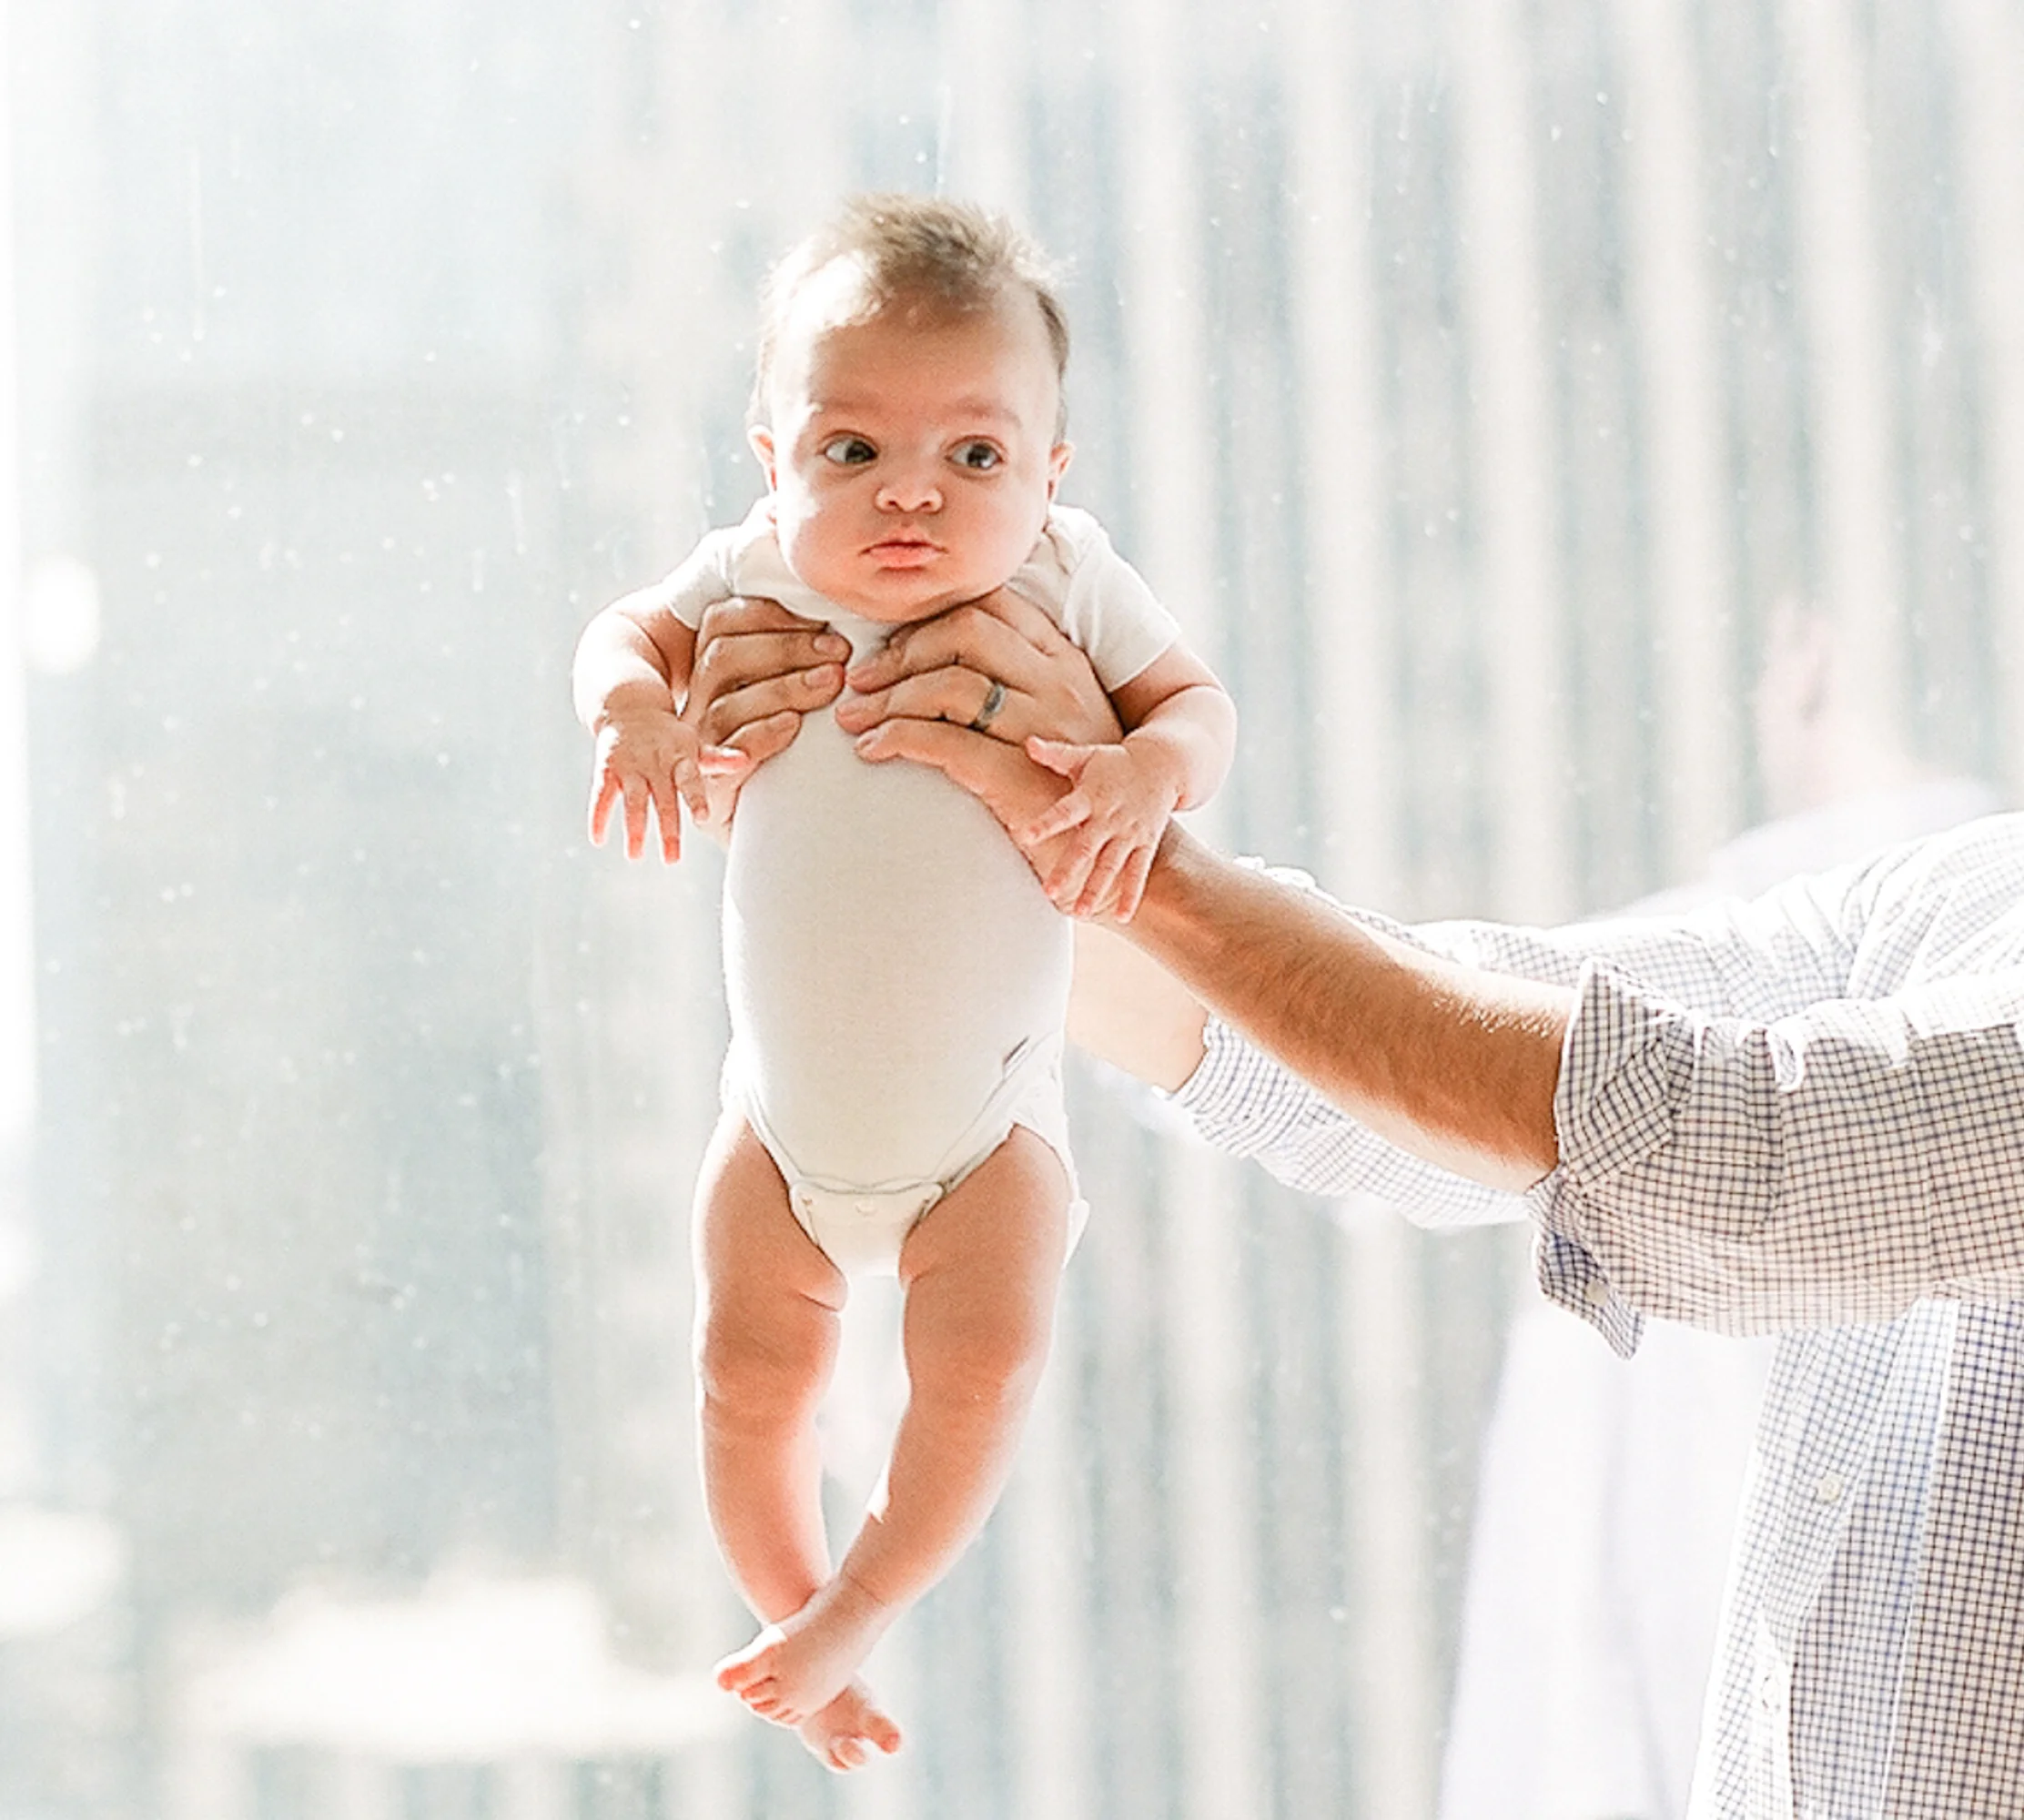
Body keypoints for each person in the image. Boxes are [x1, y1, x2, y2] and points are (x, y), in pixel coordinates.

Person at [684, 593, 2024, 1818]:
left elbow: (1733, 1148)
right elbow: (1460, 1032)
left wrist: (1113, 843)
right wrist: (930, 805)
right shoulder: (1971, 888)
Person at [570, 195, 1235, 1774]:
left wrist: (1148, 768)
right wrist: (630, 717)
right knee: (743, 1378)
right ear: (772, 455)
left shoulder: (1070, 585)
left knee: (982, 1369)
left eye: (976, 458)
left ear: (1053, 475)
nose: (911, 498)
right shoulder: (753, 576)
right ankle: (793, 1610)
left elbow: (1198, 706)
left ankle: (865, 1595)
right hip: (777, 1136)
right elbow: (619, 632)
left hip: (984, 1143)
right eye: (852, 451)